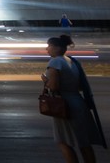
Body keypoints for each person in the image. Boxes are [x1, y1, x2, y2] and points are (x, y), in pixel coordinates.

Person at [43, 34, 102, 163]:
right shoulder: (72, 61)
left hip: (64, 105)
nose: (47, 49)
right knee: (83, 142)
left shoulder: (55, 62)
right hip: (78, 102)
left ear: (56, 47)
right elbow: (81, 85)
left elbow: (53, 87)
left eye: (48, 46)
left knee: (63, 141)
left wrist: (45, 81)